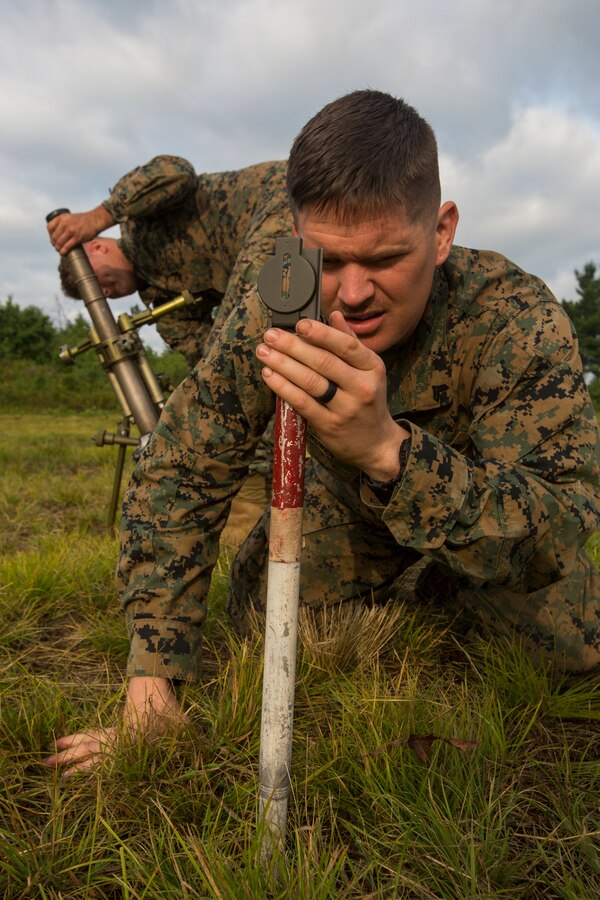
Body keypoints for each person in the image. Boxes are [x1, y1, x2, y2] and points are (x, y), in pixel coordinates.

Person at [44, 89, 600, 775]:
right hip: (349, 512)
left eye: (387, 258)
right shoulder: (277, 307)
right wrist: (153, 689)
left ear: (442, 230)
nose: (355, 293)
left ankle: (438, 583)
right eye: (328, 262)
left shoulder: (516, 318)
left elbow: (559, 525)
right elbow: (183, 467)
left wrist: (390, 453)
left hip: (480, 507)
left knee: (568, 647)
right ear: (295, 242)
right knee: (260, 616)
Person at [47, 156, 293, 545]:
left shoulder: (138, 220)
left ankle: (249, 508)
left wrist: (100, 214)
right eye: (97, 294)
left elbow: (177, 171)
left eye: (96, 283)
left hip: (283, 198)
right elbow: (212, 366)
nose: (105, 294)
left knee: (245, 319)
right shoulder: (164, 306)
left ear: (96, 246)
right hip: (271, 254)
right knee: (233, 372)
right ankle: (254, 502)